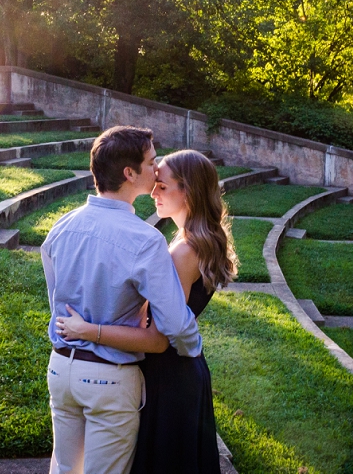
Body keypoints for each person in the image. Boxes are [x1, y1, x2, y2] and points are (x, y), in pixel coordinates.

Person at [56, 149, 238, 473]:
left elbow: (160, 335)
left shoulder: (185, 250)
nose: (154, 192)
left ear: (189, 191)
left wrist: (90, 331)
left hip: (170, 375)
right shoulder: (195, 240)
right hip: (180, 371)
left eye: (163, 186)